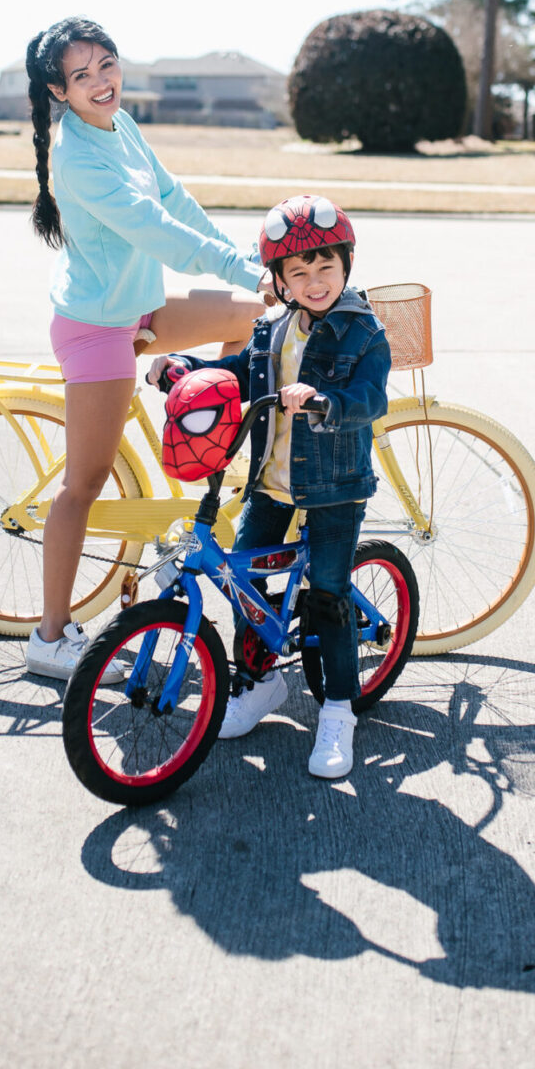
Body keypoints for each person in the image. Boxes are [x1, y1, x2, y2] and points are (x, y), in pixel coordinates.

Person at [23, 15, 269, 681]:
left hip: (139, 308)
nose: (102, 82)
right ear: (59, 90)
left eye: (108, 64)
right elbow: (160, 232)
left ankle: (205, 442)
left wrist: (248, 266)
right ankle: (49, 638)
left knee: (253, 317)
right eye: (83, 75)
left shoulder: (121, 126)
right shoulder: (77, 158)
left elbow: (172, 198)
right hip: (98, 327)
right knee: (84, 484)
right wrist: (241, 266)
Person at [148, 193, 390, 780]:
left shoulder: (363, 335)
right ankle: (258, 683)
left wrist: (326, 401)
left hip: (334, 486)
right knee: (243, 577)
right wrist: (181, 365)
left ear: (346, 268)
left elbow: (371, 398)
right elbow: (237, 372)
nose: (314, 282)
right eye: (299, 273)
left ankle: (338, 710)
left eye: (325, 269)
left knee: (327, 594)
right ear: (279, 281)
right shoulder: (272, 330)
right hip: (270, 482)